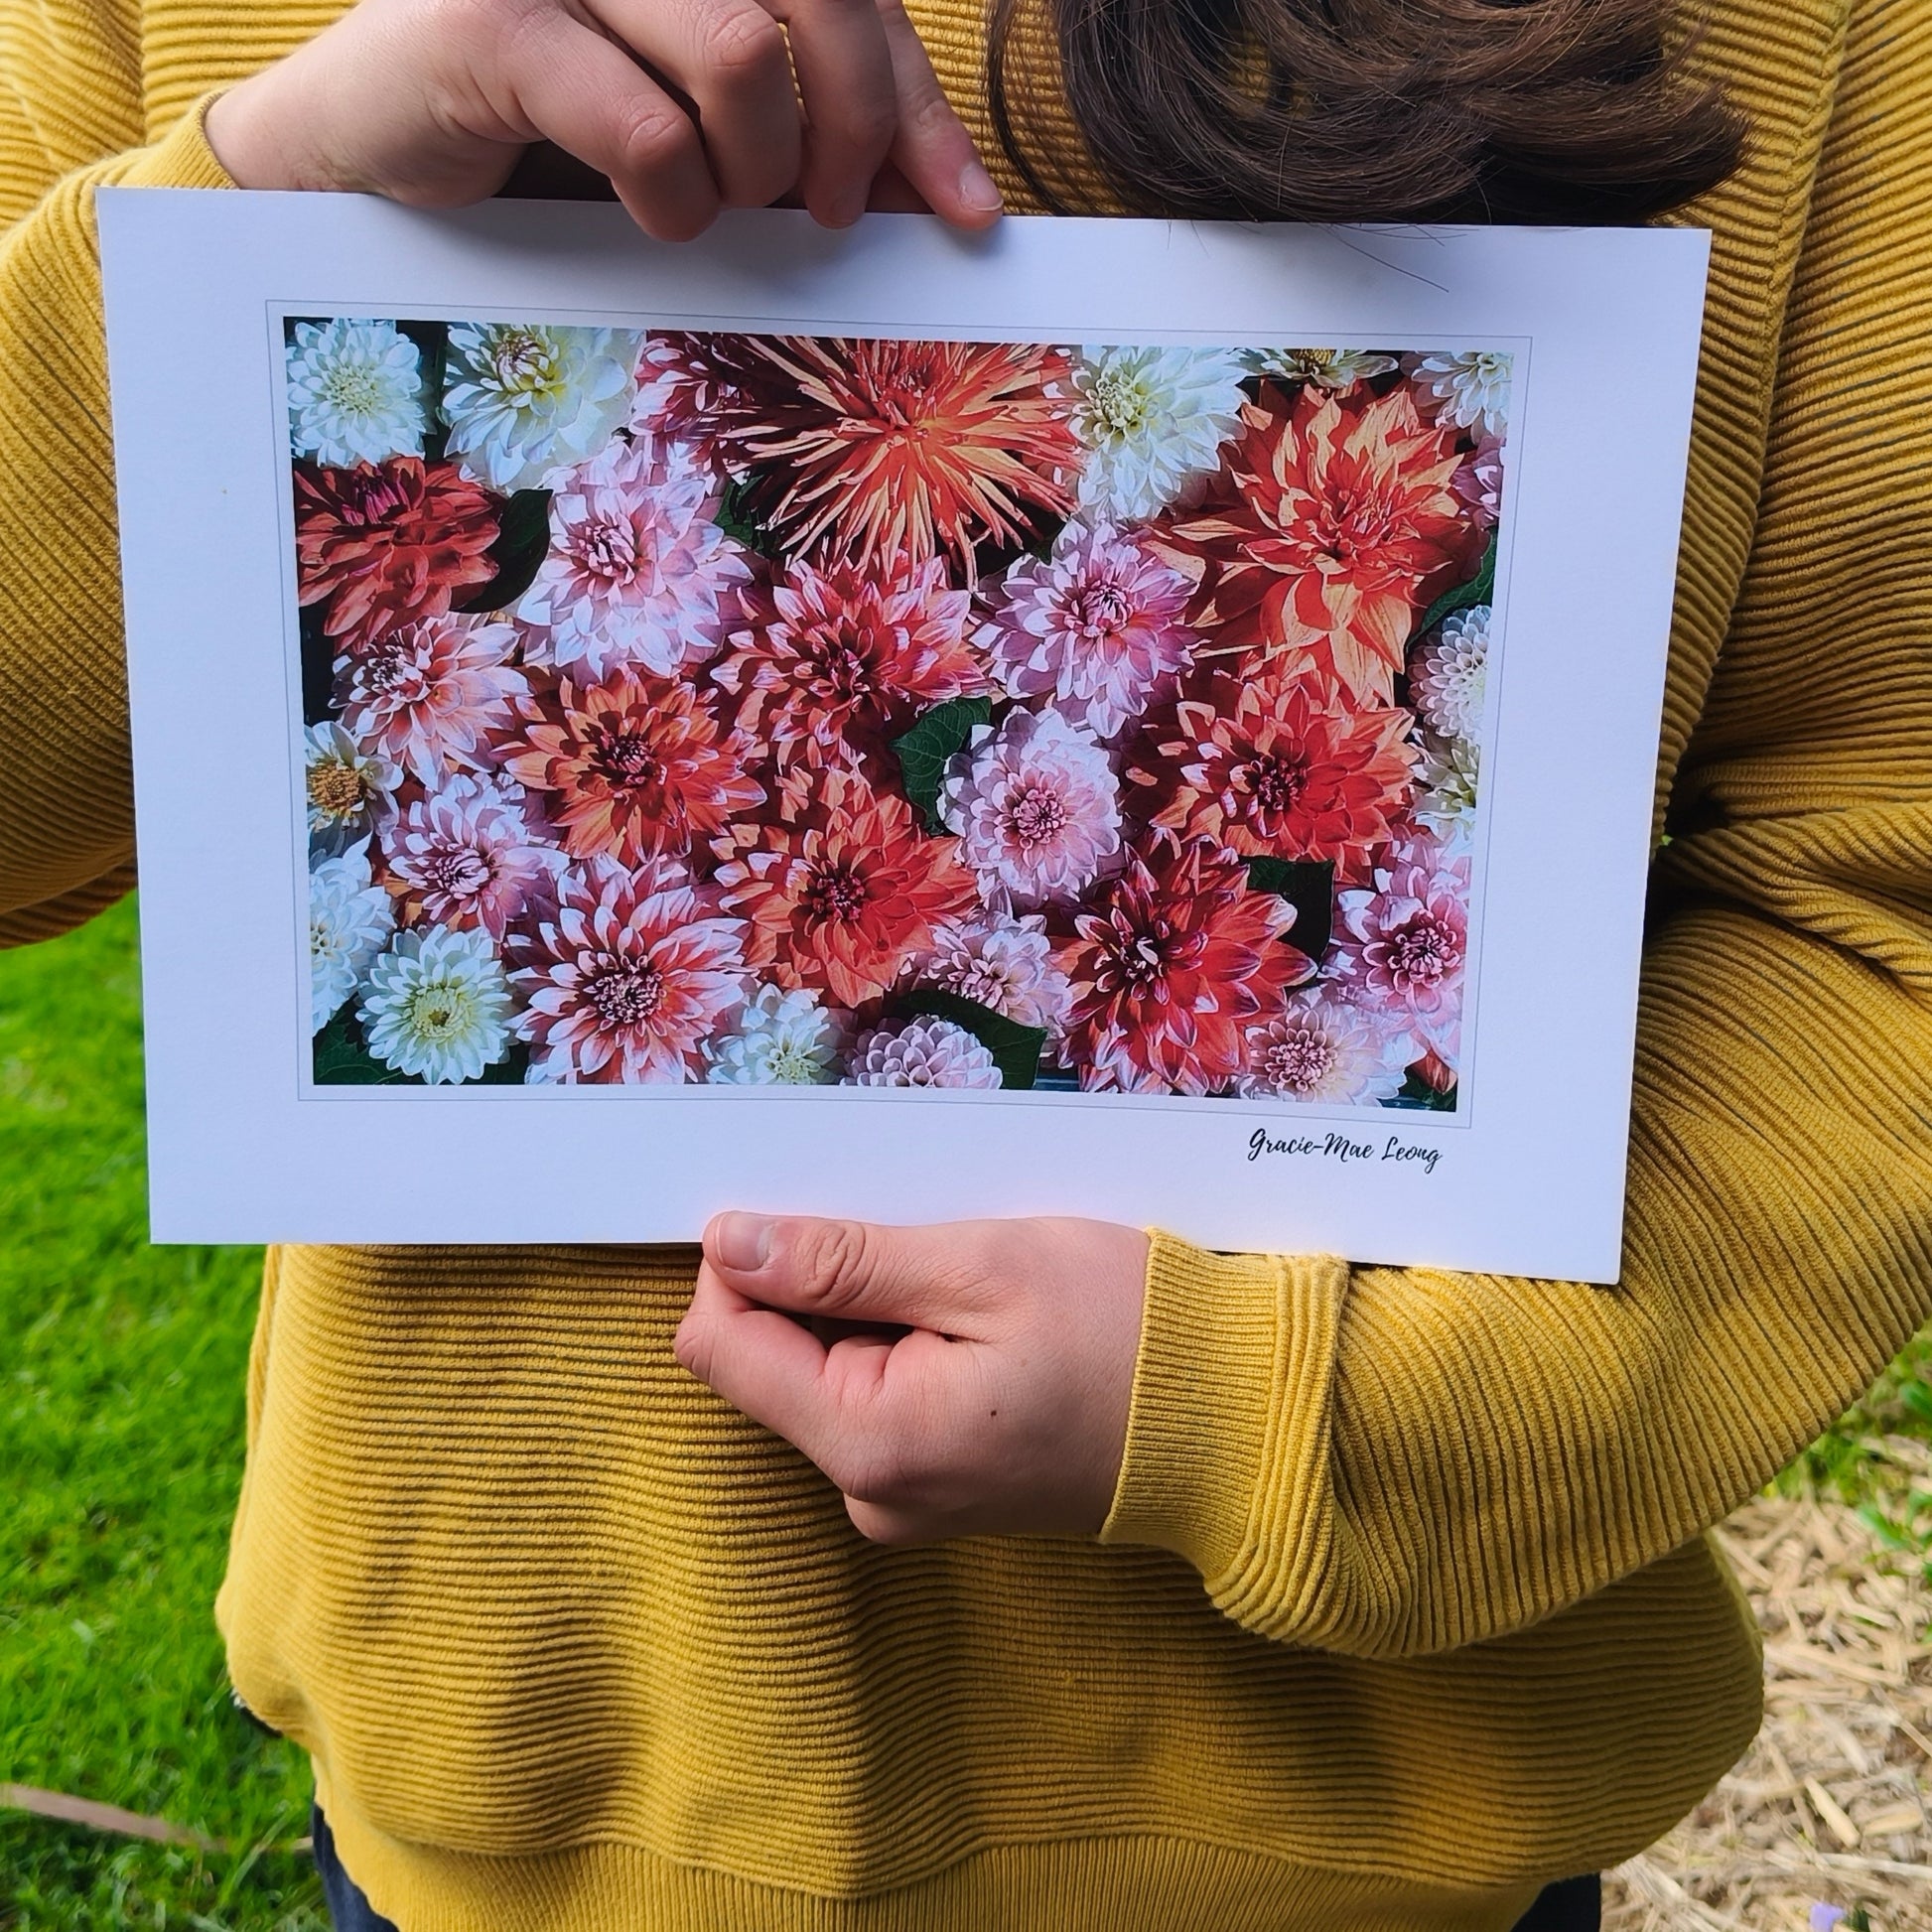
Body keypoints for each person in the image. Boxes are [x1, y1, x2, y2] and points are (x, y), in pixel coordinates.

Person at [0, 0, 1926, 1927]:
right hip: (515, 1770)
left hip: (1361, 1826)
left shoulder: (1805, 43)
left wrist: (1286, 1411)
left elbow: (1870, 913)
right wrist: (261, 198)